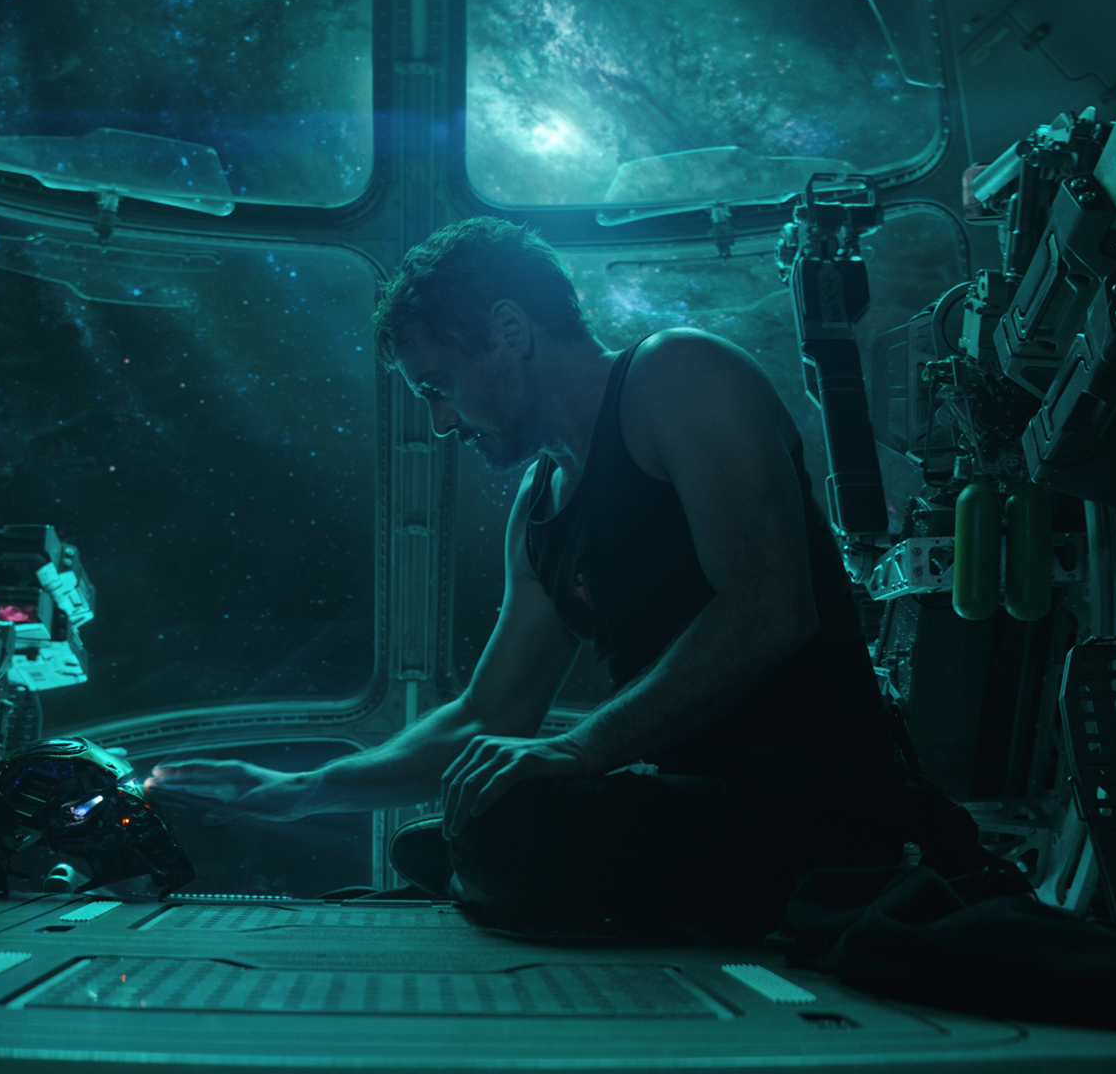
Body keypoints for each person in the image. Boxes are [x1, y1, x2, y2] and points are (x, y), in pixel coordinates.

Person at [148, 217, 971, 935]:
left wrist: (581, 749)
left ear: (508, 328)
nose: (440, 421)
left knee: (502, 836)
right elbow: (488, 713)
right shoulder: (540, 504)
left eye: (439, 386)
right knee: (441, 836)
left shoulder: (678, 376)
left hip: (813, 802)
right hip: (692, 799)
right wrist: (301, 789)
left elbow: (770, 608)